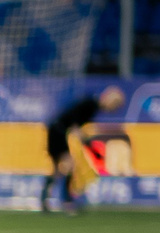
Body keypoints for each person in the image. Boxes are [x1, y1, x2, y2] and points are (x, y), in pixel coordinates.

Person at [45, 84, 123, 212]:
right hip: (58, 131)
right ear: (107, 97)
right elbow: (75, 121)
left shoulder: (92, 105)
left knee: (59, 168)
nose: (113, 108)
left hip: (57, 130)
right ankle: (65, 201)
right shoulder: (91, 104)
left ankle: (49, 201)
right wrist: (85, 140)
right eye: (114, 104)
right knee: (66, 166)